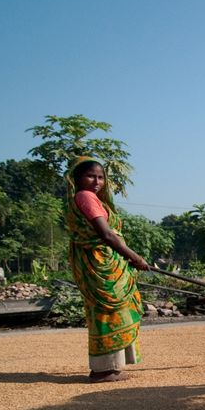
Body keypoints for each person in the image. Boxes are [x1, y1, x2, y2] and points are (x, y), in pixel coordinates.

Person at [65, 157, 150, 382]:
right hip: (100, 264)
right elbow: (107, 234)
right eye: (90, 176)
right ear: (77, 178)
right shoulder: (85, 197)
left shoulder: (87, 198)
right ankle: (103, 369)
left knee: (112, 313)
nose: (97, 181)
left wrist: (128, 258)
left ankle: (110, 367)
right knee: (109, 313)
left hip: (104, 262)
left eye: (101, 177)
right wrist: (135, 257)